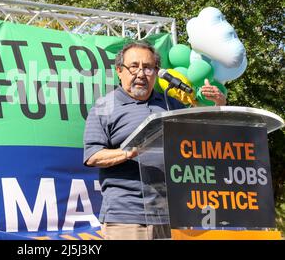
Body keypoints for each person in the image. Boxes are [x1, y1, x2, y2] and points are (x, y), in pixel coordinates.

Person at [83, 40, 226, 240]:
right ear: (119, 71)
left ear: (156, 72)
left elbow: (201, 136)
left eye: (148, 67)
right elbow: (93, 156)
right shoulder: (103, 107)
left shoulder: (171, 103)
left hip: (170, 214)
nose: (141, 74)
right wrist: (130, 151)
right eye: (134, 67)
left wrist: (217, 106)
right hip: (126, 217)